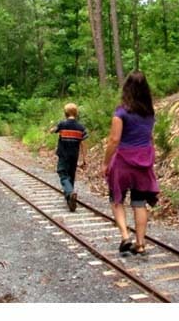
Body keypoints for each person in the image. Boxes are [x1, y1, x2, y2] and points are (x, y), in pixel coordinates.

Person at [102, 71, 160, 255]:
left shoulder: (121, 112)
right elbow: (150, 137)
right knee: (139, 202)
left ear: (126, 88)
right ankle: (140, 243)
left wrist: (105, 163)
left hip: (123, 161)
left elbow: (114, 140)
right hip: (144, 161)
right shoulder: (150, 113)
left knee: (116, 199)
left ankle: (126, 236)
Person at [51, 103, 88, 212]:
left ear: (65, 113)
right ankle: (70, 200)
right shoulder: (81, 127)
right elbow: (83, 143)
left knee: (62, 173)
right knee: (71, 176)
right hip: (74, 155)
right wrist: (84, 159)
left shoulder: (62, 124)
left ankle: (70, 192)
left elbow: (54, 130)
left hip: (63, 155)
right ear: (76, 113)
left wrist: (52, 129)